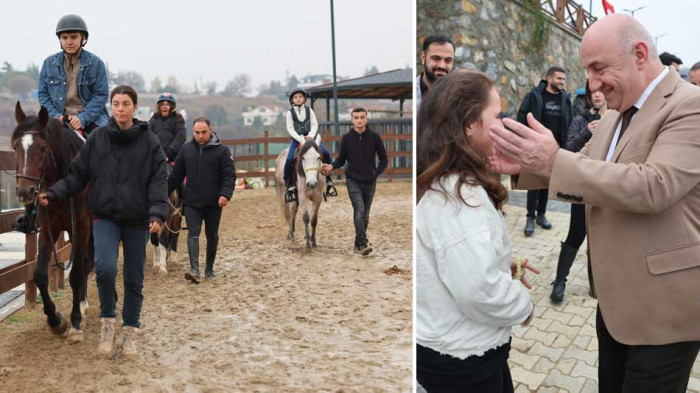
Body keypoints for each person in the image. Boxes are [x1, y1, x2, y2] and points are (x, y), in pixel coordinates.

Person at [489, 14, 700, 392]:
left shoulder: (691, 106)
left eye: (599, 68)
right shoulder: (615, 114)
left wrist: (552, 161)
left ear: (638, 54)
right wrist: (524, 165)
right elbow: (584, 163)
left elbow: (654, 185)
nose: (592, 83)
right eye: (586, 70)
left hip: (664, 312)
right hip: (616, 304)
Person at [416, 70, 538, 393]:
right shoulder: (458, 199)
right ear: (470, 124)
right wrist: (523, 304)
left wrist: (500, 266)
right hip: (464, 362)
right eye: (496, 117)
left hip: (461, 351)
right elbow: (478, 289)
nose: (502, 125)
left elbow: (461, 261)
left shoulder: (448, 185)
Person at [38, 85, 168, 359]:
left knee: (134, 279)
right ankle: (108, 323)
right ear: (112, 107)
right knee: (105, 269)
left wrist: (157, 213)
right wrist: (53, 193)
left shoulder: (149, 142)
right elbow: (77, 176)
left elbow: (158, 180)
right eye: (116, 104)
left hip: (137, 219)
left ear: (135, 107)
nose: (120, 109)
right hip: (105, 217)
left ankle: (130, 330)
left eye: (125, 104)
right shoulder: (97, 139)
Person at [550, 82, 607, 303]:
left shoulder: (617, 118)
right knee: (576, 233)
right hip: (583, 187)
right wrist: (587, 132)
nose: (598, 95)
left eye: (601, 91)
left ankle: (599, 283)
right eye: (593, 92)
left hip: (606, 186)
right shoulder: (579, 120)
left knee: (604, 237)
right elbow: (568, 150)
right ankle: (560, 281)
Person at [168, 117, 236, 283]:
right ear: (193, 132)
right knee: (193, 234)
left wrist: (225, 194)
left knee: (212, 235)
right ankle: (194, 269)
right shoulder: (186, 150)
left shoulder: (222, 151)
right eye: (197, 132)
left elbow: (229, 176)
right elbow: (176, 176)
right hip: (191, 202)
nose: (200, 136)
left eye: (203, 132)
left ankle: (209, 269)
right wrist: (162, 193)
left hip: (214, 203)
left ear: (210, 130)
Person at [322, 108, 388, 255]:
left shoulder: (375, 137)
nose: (359, 120)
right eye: (356, 117)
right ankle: (363, 243)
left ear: (366, 119)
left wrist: (375, 173)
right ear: (352, 120)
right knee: (359, 211)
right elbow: (341, 159)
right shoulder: (346, 138)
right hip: (353, 179)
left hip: (370, 181)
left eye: (362, 117)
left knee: (365, 215)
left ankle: (358, 243)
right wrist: (331, 166)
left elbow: (384, 159)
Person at [516, 66, 573, 236]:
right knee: (533, 184)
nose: (562, 82)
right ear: (549, 79)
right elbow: (522, 116)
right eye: (559, 79)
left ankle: (541, 215)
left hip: (555, 150)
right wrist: (525, 141)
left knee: (547, 184)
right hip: (535, 148)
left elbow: (568, 122)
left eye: (564, 79)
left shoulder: (565, 98)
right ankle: (530, 217)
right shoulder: (534, 95)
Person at [37, 14, 109, 136]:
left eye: (74, 37)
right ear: (59, 39)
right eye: (64, 38)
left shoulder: (96, 63)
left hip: (91, 119)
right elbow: (43, 95)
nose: (69, 42)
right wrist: (56, 117)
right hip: (58, 119)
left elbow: (100, 95)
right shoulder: (48, 63)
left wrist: (82, 118)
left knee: (102, 145)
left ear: (83, 38)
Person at [282, 88, 336, 203]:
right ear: (292, 100)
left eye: (300, 97)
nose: (298, 99)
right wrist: (300, 139)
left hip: (311, 138)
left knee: (326, 153)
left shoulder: (309, 110)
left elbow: (314, 124)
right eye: (295, 97)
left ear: (304, 98)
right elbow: (290, 129)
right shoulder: (289, 113)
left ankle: (329, 179)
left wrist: (311, 135)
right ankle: (289, 184)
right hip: (297, 140)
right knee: (290, 158)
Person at [416, 34, 455, 108]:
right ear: (423, 58)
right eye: (436, 58)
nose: (442, 66)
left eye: (448, 60)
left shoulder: (460, 97)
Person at [149, 92, 186, 164]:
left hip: (174, 159)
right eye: (162, 104)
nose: (164, 107)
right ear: (159, 106)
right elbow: (149, 137)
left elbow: (180, 138)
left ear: (172, 107)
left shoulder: (178, 119)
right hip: (156, 159)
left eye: (167, 105)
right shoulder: (153, 120)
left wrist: (168, 154)